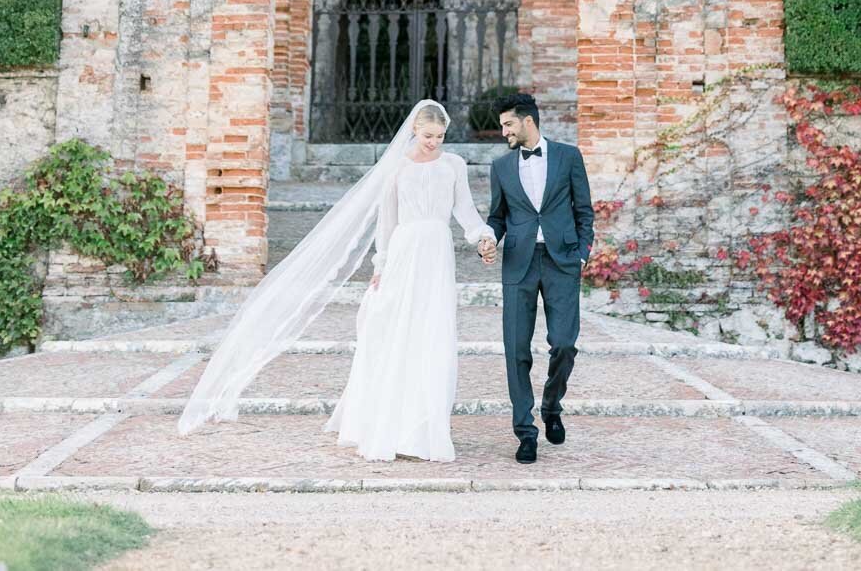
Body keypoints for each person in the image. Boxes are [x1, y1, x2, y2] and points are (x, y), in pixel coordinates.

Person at [177, 99, 493, 464]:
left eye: (439, 136)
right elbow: (387, 223)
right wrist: (380, 266)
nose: (433, 142)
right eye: (427, 135)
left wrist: (482, 236)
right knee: (393, 332)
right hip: (405, 253)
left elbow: (465, 211)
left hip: (438, 255)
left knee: (432, 334)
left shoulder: (453, 166)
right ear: (414, 131)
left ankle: (426, 428)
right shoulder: (397, 169)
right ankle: (387, 422)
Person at [478, 94, 595, 463]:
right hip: (518, 262)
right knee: (516, 349)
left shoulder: (568, 156)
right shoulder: (501, 167)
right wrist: (488, 238)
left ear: (527, 121)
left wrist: (582, 251)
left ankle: (551, 405)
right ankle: (525, 432)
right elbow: (498, 216)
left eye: (508, 124)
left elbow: (584, 210)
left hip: (562, 259)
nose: (504, 132)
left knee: (564, 343)